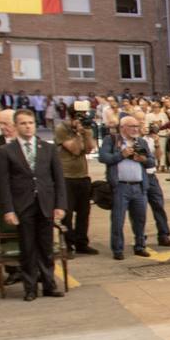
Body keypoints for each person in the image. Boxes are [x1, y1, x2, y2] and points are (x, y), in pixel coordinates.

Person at [0, 110, 66, 300]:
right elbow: (4, 183)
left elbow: (58, 178)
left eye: (31, 123)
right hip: (23, 205)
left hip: (45, 203)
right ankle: (30, 288)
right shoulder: (6, 151)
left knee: (46, 247)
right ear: (15, 126)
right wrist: (8, 209)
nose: (28, 126)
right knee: (28, 248)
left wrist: (60, 204)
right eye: (23, 123)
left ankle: (49, 285)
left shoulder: (47, 148)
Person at [98, 116, 157, 259]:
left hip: (139, 187)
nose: (136, 129)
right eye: (132, 126)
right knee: (118, 220)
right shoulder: (111, 140)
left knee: (140, 219)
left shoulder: (141, 142)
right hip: (120, 187)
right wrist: (121, 155)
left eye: (137, 126)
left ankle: (140, 245)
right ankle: (118, 250)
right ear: (122, 127)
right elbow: (103, 157)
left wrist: (143, 160)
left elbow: (151, 162)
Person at [54, 101, 98, 255]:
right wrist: (78, 133)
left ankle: (81, 243)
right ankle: (68, 244)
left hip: (82, 175)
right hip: (66, 176)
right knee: (67, 213)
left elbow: (88, 149)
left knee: (84, 213)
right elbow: (73, 149)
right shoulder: (62, 129)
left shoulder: (86, 129)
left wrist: (85, 132)